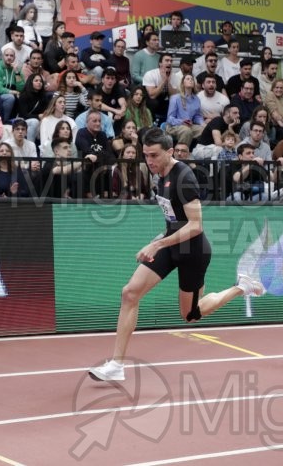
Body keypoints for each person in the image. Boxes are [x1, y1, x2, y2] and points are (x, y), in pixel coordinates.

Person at [88, 128, 266, 382]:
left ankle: (242, 287)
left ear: (170, 152)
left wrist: (159, 245)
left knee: (190, 315)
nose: (149, 161)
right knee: (129, 293)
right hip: (172, 245)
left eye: (154, 155)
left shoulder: (184, 177)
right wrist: (158, 239)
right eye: (146, 155)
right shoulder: (159, 175)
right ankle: (117, 364)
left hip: (193, 251)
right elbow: (174, 220)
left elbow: (195, 225)